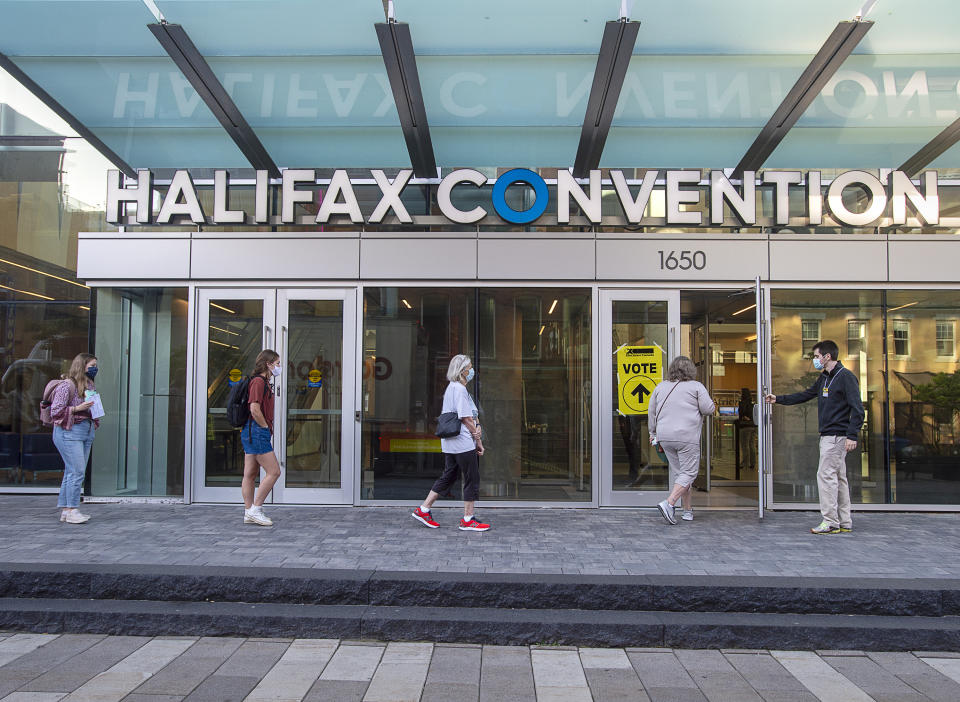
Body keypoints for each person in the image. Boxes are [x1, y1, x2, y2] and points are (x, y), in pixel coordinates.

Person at [765, 340, 864, 535]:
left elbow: (858, 409)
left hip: (836, 436)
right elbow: (806, 394)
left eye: (817, 356)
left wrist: (852, 435)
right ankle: (844, 521)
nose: (815, 360)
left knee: (825, 477)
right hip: (829, 435)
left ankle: (830, 522)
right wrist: (779, 399)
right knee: (838, 478)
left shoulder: (846, 377)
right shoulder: (824, 378)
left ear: (827, 357)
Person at [412, 354, 490, 531]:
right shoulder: (459, 390)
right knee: (471, 477)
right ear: (462, 370)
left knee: (449, 475)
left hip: (450, 442)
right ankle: (468, 519)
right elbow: (465, 417)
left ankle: (424, 509)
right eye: (469, 367)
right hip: (462, 441)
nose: (472, 371)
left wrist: (476, 434)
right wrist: (477, 438)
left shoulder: (452, 388)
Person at [648, 355, 715, 525]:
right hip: (686, 437)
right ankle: (669, 503)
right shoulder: (696, 387)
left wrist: (652, 432)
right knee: (689, 473)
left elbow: (652, 412)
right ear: (691, 370)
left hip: (665, 437)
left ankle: (687, 511)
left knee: (682, 475)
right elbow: (708, 409)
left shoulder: (660, 387)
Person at [49, 353, 101, 524]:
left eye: (95, 365)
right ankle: (72, 509)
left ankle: (66, 509)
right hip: (69, 431)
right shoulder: (67, 385)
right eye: (92, 365)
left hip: (86, 429)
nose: (95, 368)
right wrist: (78, 408)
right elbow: (55, 411)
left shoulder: (89, 384)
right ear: (82, 366)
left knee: (72, 471)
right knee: (77, 471)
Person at [241, 349, 283, 527]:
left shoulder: (261, 382)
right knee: (274, 471)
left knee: (249, 474)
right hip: (257, 432)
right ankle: (255, 510)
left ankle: (248, 511)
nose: (279, 367)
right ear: (268, 364)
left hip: (250, 431)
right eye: (277, 363)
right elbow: (254, 408)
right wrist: (265, 426)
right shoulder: (259, 382)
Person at [737, 387, 757, 471]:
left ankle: (744, 463)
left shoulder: (742, 403)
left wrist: (744, 417)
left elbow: (742, 414)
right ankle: (753, 463)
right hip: (753, 426)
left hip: (745, 427)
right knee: (752, 444)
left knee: (745, 445)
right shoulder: (752, 403)